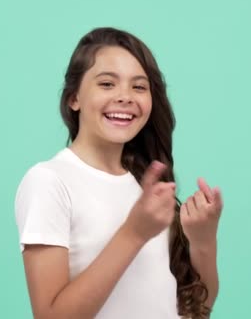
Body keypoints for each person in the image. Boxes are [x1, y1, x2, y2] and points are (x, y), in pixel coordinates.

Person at [14, 27, 223, 318]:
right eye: (107, 84)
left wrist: (203, 240)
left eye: (139, 87)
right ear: (74, 98)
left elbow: (197, 311)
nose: (125, 97)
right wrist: (134, 233)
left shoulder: (147, 184)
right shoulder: (49, 181)